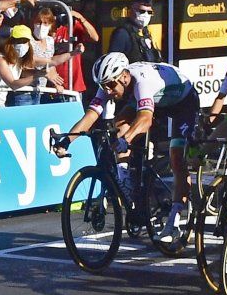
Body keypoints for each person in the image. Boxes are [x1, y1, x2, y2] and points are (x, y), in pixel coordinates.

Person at [53, 52, 201, 244]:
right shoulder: (111, 82)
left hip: (183, 101)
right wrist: (66, 141)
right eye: (102, 86)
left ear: (124, 77)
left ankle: (174, 221)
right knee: (119, 124)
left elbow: (146, 120)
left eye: (111, 85)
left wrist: (127, 139)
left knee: (176, 157)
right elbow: (90, 115)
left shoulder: (142, 82)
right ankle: (126, 179)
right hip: (155, 101)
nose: (107, 90)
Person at [108, 0, 161, 64]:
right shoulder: (122, 34)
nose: (145, 15)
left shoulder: (145, 33)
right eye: (142, 11)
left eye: (149, 12)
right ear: (132, 10)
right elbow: (112, 64)